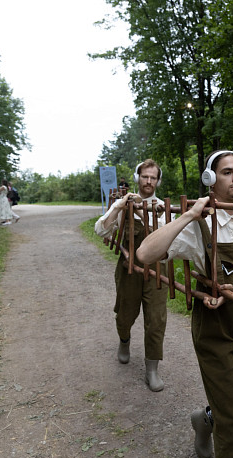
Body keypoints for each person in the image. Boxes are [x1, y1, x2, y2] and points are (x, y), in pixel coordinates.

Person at [136, 150, 233, 458]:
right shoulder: (198, 223)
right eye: (228, 172)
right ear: (210, 179)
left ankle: (204, 421)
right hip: (213, 325)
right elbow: (145, 254)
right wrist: (188, 215)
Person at [94, 159, 170, 392]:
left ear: (158, 181)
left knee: (156, 319)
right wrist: (119, 206)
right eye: (145, 176)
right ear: (138, 178)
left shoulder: (166, 208)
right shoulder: (126, 205)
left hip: (158, 270)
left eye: (153, 177)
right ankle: (124, 340)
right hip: (129, 269)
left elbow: (173, 244)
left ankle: (152, 370)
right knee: (125, 313)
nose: (149, 181)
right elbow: (101, 230)